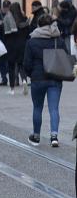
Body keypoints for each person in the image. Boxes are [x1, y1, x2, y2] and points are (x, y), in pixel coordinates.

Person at [23, 14, 69, 147]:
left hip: (37, 79)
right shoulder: (58, 40)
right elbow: (65, 58)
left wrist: (31, 74)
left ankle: (36, 136)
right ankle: (54, 136)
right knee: (54, 108)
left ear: (38, 25)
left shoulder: (32, 41)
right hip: (54, 78)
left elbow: (27, 63)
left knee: (37, 108)